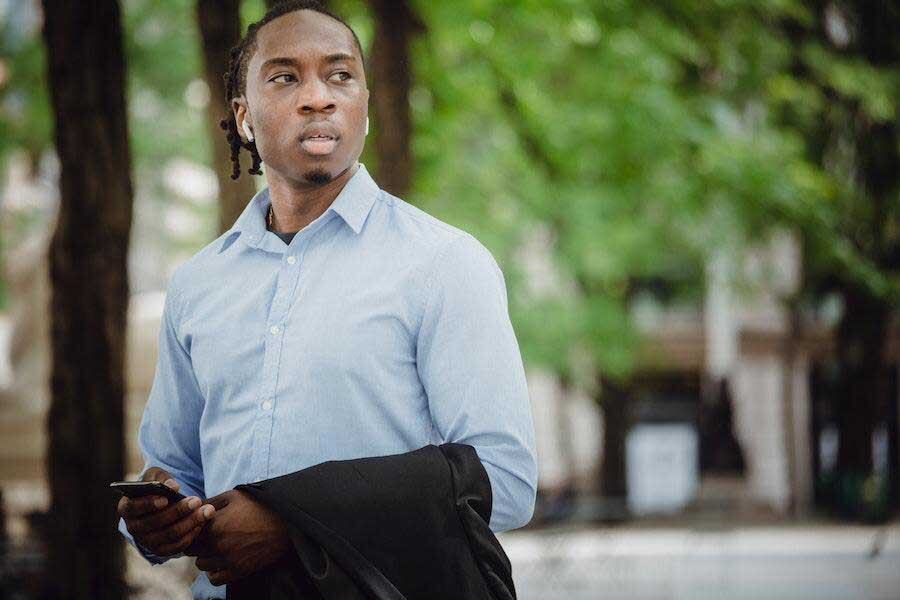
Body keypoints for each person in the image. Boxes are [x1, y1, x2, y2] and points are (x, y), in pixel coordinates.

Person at [116, 1, 537, 598]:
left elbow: (505, 482)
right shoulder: (196, 285)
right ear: (243, 118)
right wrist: (158, 522)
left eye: (340, 75)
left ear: (364, 103)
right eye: (285, 77)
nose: (318, 97)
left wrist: (295, 526)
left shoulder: (445, 264)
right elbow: (176, 470)